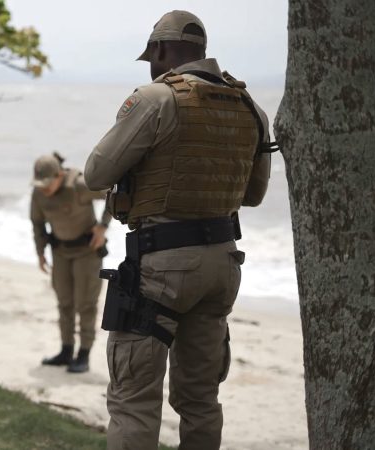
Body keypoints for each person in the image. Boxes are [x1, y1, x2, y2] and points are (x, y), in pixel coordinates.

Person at [84, 10, 272, 450]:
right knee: (201, 399)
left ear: (161, 50)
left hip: (162, 266)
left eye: (151, 56)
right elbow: (254, 195)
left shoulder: (155, 99)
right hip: (223, 263)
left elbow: (95, 174)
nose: (151, 66)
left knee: (133, 400)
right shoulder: (250, 106)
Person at [30, 153, 111, 373]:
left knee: (86, 304)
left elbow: (113, 194)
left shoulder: (80, 186)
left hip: (87, 252)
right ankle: (66, 351)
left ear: (59, 176)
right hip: (60, 252)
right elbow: (37, 223)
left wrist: (102, 227)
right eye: (40, 184)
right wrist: (40, 252)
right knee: (64, 303)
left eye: (47, 184)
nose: (44, 189)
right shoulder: (38, 193)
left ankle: (83, 355)